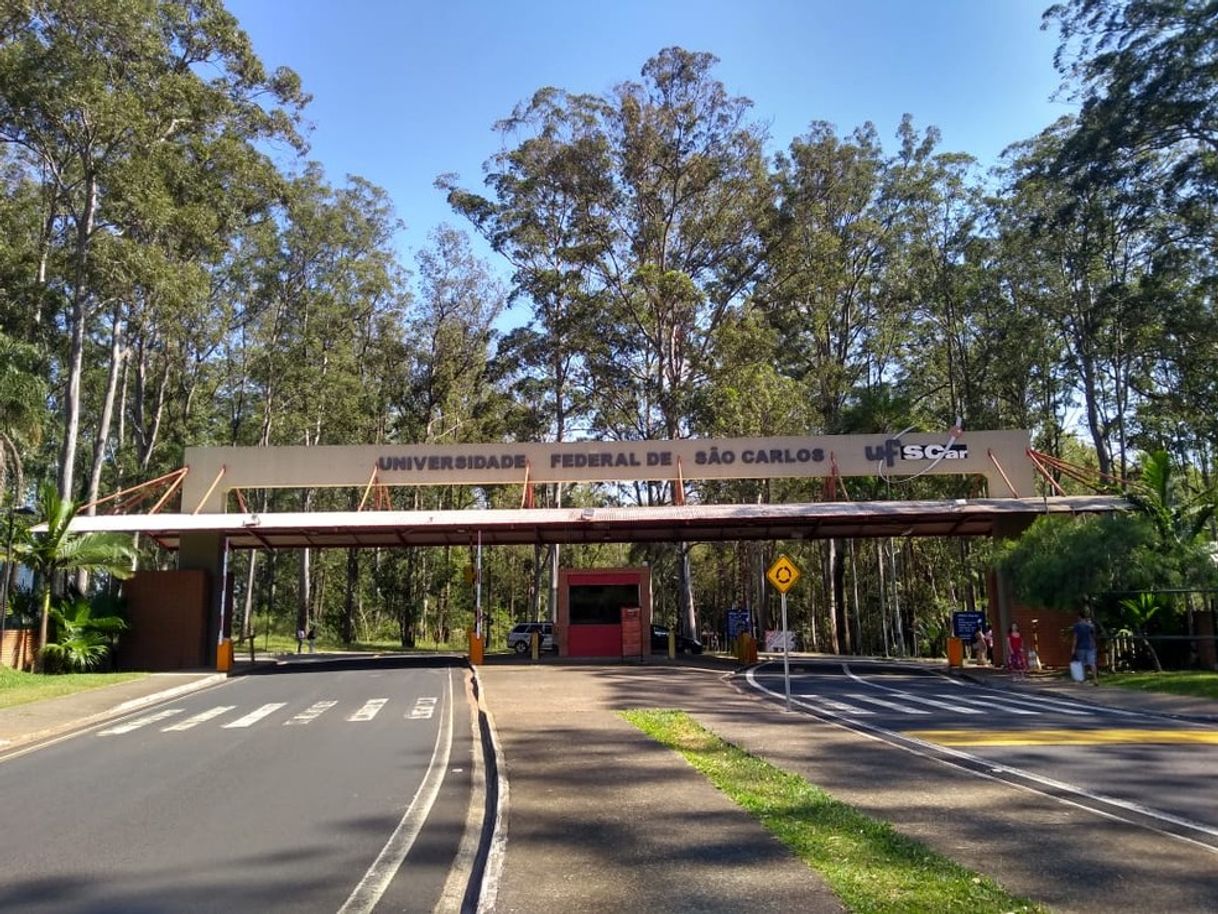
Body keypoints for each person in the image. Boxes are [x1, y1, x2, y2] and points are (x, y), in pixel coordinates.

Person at [1071, 609, 1098, 684]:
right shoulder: (1090, 626)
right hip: (1090, 646)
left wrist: (1073, 648)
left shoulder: (1077, 626)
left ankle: (1082, 679)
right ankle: (1095, 679)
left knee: (1081, 663)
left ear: (1079, 617)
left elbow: (1075, 638)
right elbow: (1093, 636)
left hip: (1080, 647)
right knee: (1092, 663)